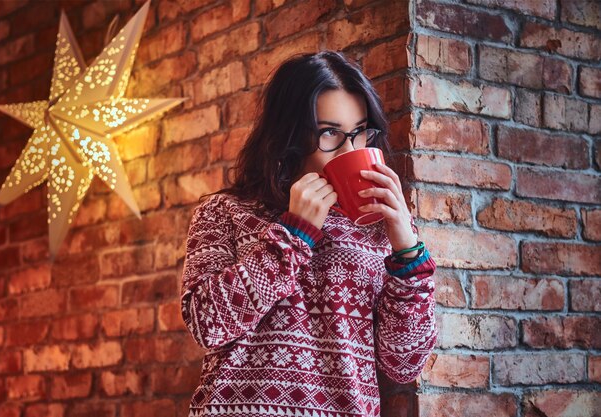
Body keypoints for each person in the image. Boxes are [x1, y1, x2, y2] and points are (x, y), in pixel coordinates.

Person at [180, 51, 437, 417]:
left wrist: (407, 249)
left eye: (361, 131)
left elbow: (404, 364)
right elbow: (207, 324)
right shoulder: (225, 212)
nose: (351, 149)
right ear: (291, 136)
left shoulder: (383, 230)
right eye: (330, 132)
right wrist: (292, 236)